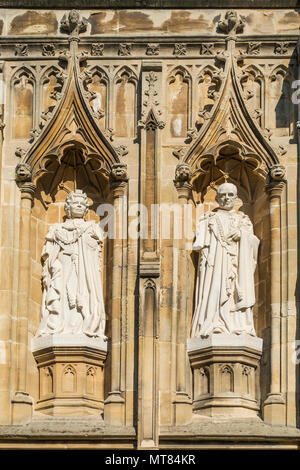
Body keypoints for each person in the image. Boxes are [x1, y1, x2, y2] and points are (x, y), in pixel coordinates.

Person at [191, 182, 259, 338]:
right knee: (215, 289)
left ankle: (238, 325)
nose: (227, 198)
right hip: (215, 264)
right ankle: (215, 323)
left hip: (237, 263)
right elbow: (201, 244)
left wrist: (242, 235)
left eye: (230, 195)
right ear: (217, 198)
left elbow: (253, 244)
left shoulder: (243, 220)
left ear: (236, 198)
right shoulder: (209, 218)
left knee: (234, 292)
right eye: (223, 195)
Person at [36, 190, 106, 339]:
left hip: (83, 271)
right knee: (62, 297)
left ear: (86, 209)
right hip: (63, 268)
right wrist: (55, 266)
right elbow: (49, 255)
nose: (79, 206)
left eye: (82, 204)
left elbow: (95, 254)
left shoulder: (92, 228)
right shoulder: (57, 229)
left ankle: (82, 326)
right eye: (76, 204)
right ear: (68, 207)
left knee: (82, 299)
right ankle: (58, 326)